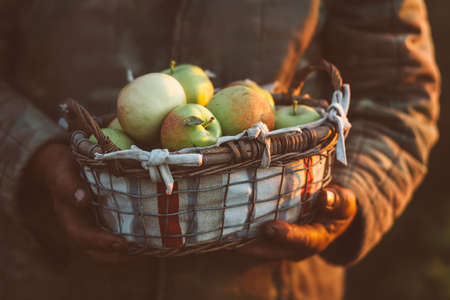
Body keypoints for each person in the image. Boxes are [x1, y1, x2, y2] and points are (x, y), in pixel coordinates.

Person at [0, 1, 439, 299]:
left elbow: (398, 92)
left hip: (274, 285)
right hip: (51, 273)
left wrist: (354, 190)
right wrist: (34, 155)